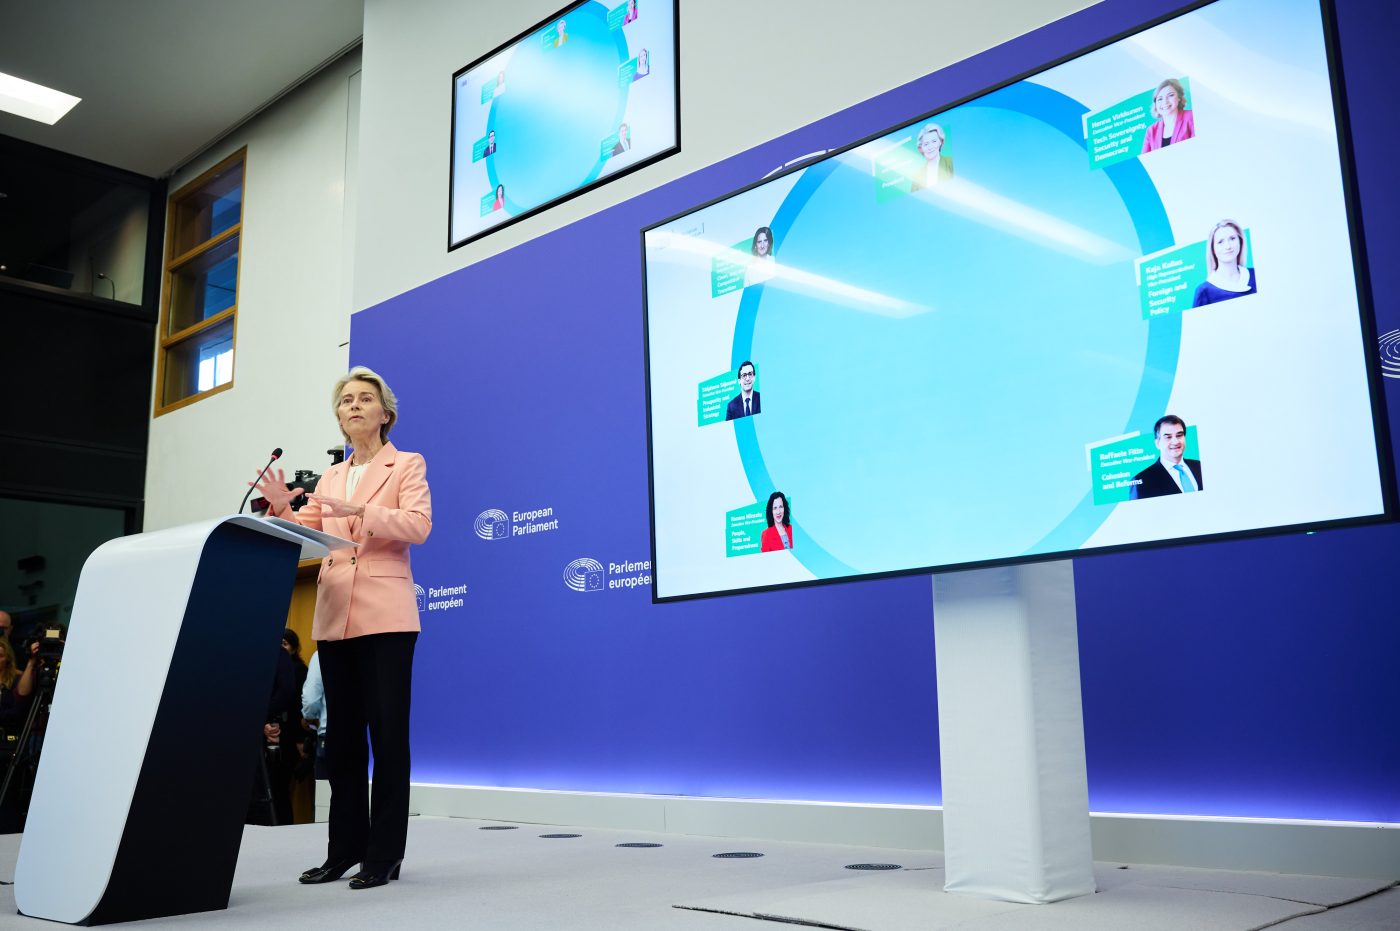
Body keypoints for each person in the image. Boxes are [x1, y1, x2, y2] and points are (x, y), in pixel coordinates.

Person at [254, 366, 431, 891]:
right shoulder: (329, 478)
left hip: (387, 617)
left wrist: (363, 509)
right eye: (345, 400)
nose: (353, 406)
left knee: (388, 739)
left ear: (385, 413)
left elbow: (418, 526)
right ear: (338, 418)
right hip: (335, 618)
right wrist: (284, 511)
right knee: (343, 741)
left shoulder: (407, 464)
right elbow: (306, 536)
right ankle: (343, 851)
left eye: (364, 398)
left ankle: (384, 855)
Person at [1130, 414, 1203, 499]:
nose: (1175, 442)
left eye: (1179, 435)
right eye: (1168, 437)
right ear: (1157, 443)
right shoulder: (1141, 480)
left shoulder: (1200, 466)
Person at [1192, 219, 1256, 306]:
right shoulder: (1204, 291)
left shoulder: (1256, 275)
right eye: (1220, 242)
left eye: (1232, 239)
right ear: (1213, 248)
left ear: (1240, 241)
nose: (1228, 246)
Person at [1141, 78, 1195, 153]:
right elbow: (1145, 159)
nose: (1165, 102)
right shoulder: (1151, 130)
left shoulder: (1191, 116)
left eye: (1170, 95)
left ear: (1179, 97)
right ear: (1155, 104)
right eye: (1160, 99)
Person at [911, 123, 953, 190]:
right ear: (921, 148)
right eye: (926, 144)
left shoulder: (950, 162)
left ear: (940, 142)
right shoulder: (917, 176)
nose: (930, 147)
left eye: (934, 141)